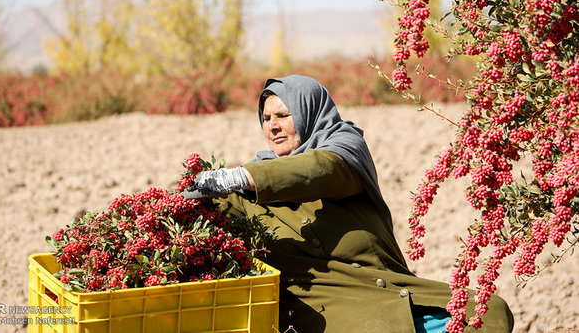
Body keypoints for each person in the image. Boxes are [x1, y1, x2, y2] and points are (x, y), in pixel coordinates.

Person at [183, 75, 513, 333]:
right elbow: (202, 222)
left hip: (396, 294)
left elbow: (319, 171)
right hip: (335, 319)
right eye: (266, 118)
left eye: (283, 115)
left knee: (489, 312)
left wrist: (241, 177)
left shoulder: (345, 151)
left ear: (308, 113)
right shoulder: (245, 195)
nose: (272, 125)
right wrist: (177, 208)